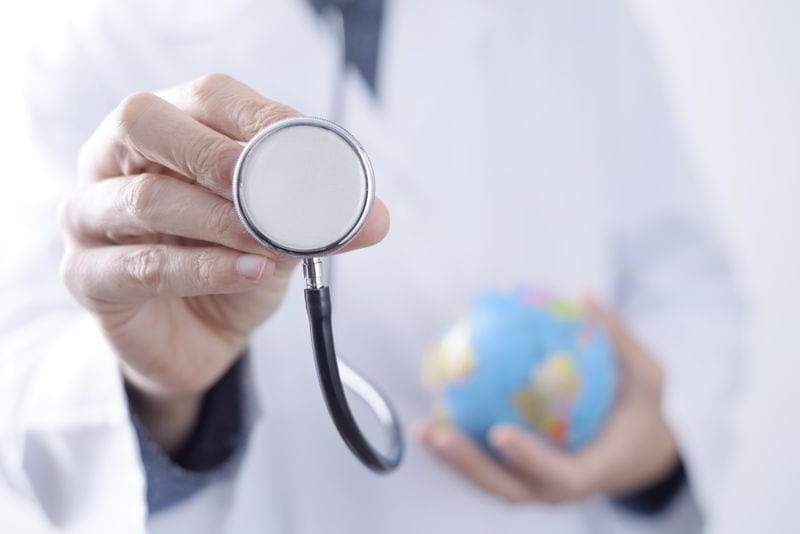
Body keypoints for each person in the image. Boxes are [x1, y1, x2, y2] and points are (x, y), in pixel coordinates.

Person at [1, 0, 742, 532]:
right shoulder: (82, 38)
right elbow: (26, 393)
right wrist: (163, 397)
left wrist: (654, 444)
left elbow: (686, 280)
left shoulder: (579, 20)